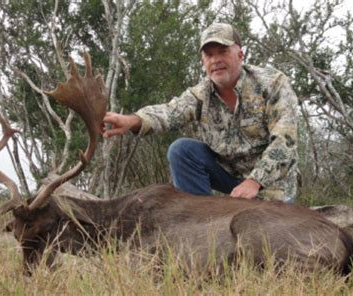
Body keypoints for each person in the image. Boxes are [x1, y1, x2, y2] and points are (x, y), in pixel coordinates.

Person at [102, 23, 298, 202]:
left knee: (264, 228)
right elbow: (170, 113)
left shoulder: (273, 84)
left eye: (222, 52)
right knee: (181, 150)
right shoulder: (201, 94)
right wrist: (132, 120)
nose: (216, 60)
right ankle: (200, 219)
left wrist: (255, 181)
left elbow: (285, 140)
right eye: (209, 55)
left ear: (240, 55)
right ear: (203, 62)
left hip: (271, 183)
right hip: (230, 175)